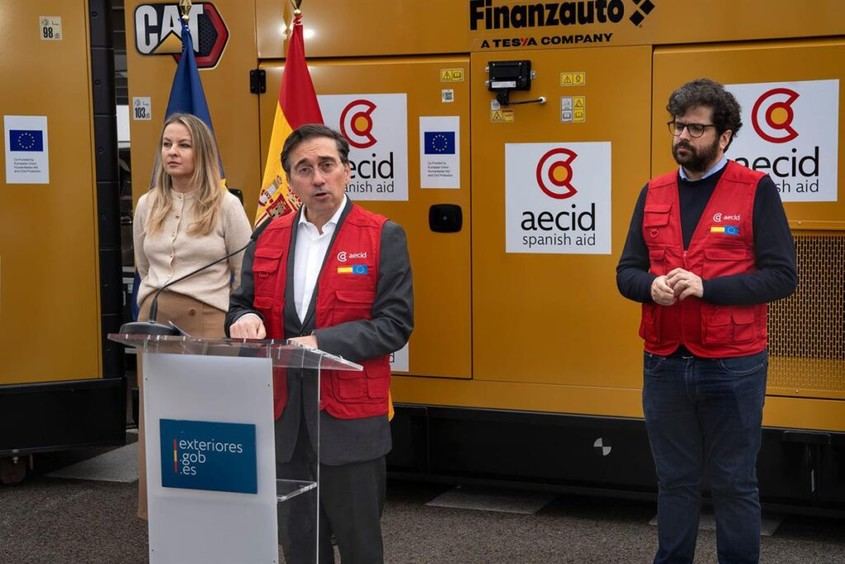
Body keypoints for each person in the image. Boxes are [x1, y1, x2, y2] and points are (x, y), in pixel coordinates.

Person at [616, 78, 797, 564]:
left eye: (696, 128)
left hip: (733, 365)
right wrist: (649, 287)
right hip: (664, 362)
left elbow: (782, 277)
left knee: (734, 482)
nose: (683, 136)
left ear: (725, 136)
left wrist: (707, 287)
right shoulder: (653, 192)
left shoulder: (755, 190)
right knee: (674, 481)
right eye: (678, 126)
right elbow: (626, 272)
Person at [226, 124, 413, 563]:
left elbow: (395, 324)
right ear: (291, 181)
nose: (318, 178)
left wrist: (320, 341)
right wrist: (245, 318)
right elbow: (240, 304)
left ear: (347, 170)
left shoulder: (382, 235)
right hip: (286, 423)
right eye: (304, 169)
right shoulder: (267, 234)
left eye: (327, 165)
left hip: (349, 421)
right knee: (299, 548)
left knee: (359, 546)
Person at [132, 112, 252, 519]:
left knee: (208, 416)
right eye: (167, 144)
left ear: (202, 152)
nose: (173, 152)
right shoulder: (147, 203)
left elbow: (243, 271)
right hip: (154, 321)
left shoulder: (226, 204)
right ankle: (160, 511)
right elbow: (144, 267)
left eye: (183, 145)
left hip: (206, 321)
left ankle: (213, 512)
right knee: (157, 417)